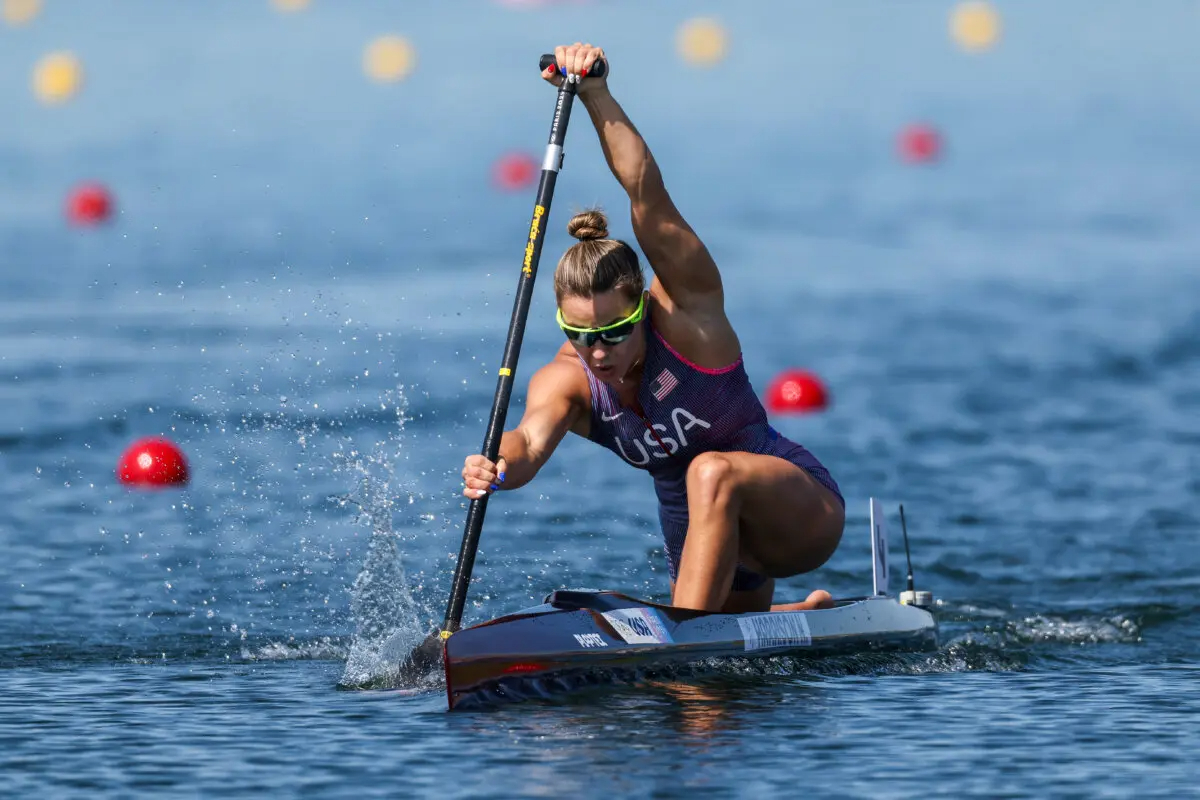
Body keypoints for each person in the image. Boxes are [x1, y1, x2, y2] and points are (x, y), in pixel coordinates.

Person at [461, 43, 845, 614]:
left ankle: (686, 635)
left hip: (796, 515)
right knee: (715, 697)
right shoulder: (568, 380)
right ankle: (801, 617)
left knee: (710, 470)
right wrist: (495, 466)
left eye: (615, 330)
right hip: (698, 537)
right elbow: (530, 444)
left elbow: (648, 195)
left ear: (642, 306)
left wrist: (595, 95)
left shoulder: (688, 315)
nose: (597, 351)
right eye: (580, 333)